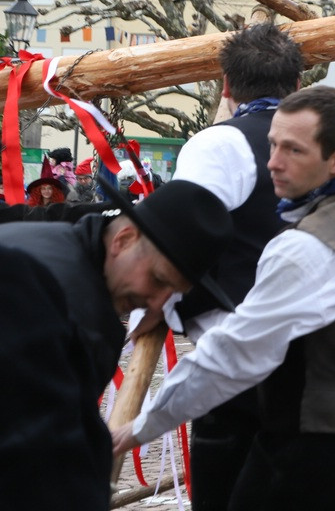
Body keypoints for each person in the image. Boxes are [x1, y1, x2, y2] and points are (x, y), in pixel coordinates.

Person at [112, 86, 335, 511]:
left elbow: (232, 357)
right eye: (272, 145)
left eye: (293, 150)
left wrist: (136, 429)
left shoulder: (307, 247)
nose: (273, 162)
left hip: (318, 458)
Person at [0, 180, 233, 511]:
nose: (157, 302)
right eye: (158, 280)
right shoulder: (69, 303)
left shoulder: (42, 244)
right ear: (123, 240)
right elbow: (38, 450)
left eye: (173, 294)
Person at [158, 21, 304, 511]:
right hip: (326, 360)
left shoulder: (219, 144)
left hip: (240, 363)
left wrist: (170, 310)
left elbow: (179, 241)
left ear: (225, 86)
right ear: (299, 85)